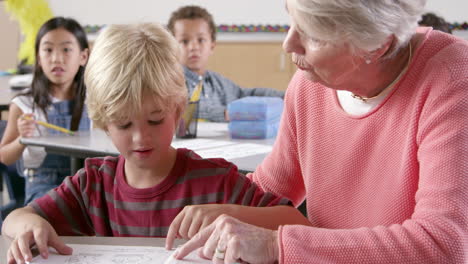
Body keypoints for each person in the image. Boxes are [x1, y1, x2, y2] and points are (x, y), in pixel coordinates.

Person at [171, 0, 468, 263]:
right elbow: (270, 189)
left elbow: (443, 245)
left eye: (312, 34)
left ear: (378, 45)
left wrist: (277, 245)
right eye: (292, 20)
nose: (289, 44)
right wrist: (215, 208)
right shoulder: (308, 84)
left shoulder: (454, 81)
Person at [1, 22, 310, 264]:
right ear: (103, 121)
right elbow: (15, 219)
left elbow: (296, 223)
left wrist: (229, 214)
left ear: (177, 109)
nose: (141, 137)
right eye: (123, 124)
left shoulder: (216, 181)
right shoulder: (93, 184)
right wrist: (28, 226)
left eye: (155, 120)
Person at [0, 17, 91, 205]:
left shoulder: (94, 100)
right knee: (58, 212)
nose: (56, 58)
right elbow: (5, 157)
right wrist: (22, 139)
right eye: (48, 50)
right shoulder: (24, 104)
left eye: (66, 50)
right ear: (38, 57)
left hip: (89, 181)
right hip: (43, 183)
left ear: (83, 56)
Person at [167, 5, 285, 122]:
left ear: (212, 46)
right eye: (184, 41)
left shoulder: (218, 82)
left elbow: (244, 94)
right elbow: (179, 108)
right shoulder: (170, 82)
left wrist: (285, 96)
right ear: (172, 48)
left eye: (201, 40)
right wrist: (225, 113)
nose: (193, 47)